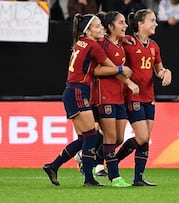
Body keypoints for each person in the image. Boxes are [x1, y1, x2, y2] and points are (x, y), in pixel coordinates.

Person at [42, 13, 135, 187]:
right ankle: (89, 179)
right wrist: (123, 68)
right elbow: (109, 67)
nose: (102, 29)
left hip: (72, 90)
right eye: (98, 26)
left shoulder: (81, 42)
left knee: (84, 138)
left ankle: (53, 166)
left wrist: (124, 38)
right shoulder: (94, 46)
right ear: (89, 30)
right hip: (79, 91)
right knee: (91, 136)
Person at [115, 9, 172, 186]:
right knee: (141, 137)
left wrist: (166, 72)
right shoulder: (127, 42)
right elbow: (115, 60)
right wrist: (127, 81)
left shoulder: (154, 46)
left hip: (149, 97)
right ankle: (110, 162)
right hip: (133, 96)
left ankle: (138, 178)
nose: (155, 23)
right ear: (140, 24)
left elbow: (158, 69)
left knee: (145, 139)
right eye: (152, 20)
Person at [91, 11, 139, 187]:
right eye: (121, 22)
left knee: (118, 139)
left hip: (119, 96)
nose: (125, 25)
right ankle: (114, 177)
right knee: (110, 138)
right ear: (110, 27)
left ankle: (87, 157)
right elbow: (96, 71)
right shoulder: (102, 45)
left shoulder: (119, 43)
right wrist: (122, 73)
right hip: (104, 95)